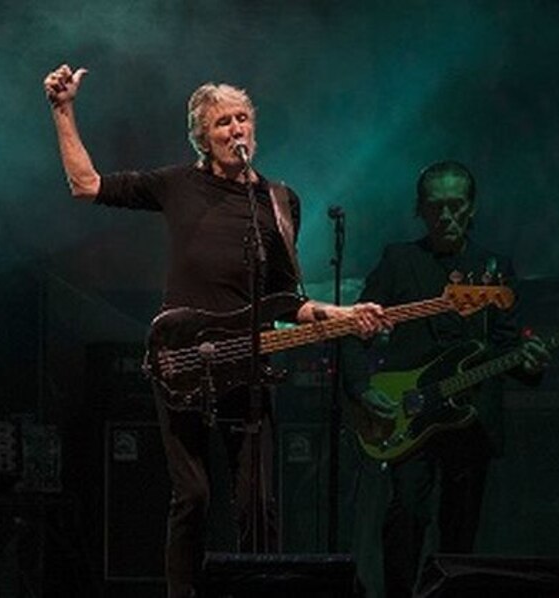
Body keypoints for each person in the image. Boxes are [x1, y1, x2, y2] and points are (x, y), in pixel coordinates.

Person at [42, 64, 390, 598]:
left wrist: (347, 316)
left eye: (243, 118)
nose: (236, 130)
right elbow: (85, 185)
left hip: (249, 365)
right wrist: (63, 110)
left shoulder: (278, 201)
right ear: (202, 136)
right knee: (195, 497)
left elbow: (287, 301)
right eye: (223, 122)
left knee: (258, 501)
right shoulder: (175, 183)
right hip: (183, 357)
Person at [341, 160, 549, 598]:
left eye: (456, 206)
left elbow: (508, 347)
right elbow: (353, 329)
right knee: (407, 515)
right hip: (410, 414)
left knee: (461, 534)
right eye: (436, 207)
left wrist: (528, 364)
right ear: (420, 210)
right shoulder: (399, 260)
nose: (447, 216)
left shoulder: (493, 267)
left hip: (469, 421)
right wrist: (362, 388)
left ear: (472, 208)